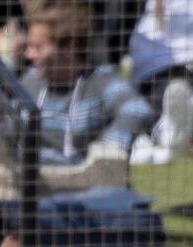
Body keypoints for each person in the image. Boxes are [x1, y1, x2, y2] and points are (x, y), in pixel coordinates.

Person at [21, 2, 153, 189]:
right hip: (35, 188)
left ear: (69, 47)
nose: (29, 54)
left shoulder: (100, 80)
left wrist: (107, 151)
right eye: (29, 46)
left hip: (89, 191)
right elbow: (6, 126)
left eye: (38, 47)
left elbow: (136, 110)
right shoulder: (29, 82)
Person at [128, 0, 193, 164]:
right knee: (175, 91)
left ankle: (185, 127)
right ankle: (177, 127)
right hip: (161, 76)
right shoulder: (151, 9)